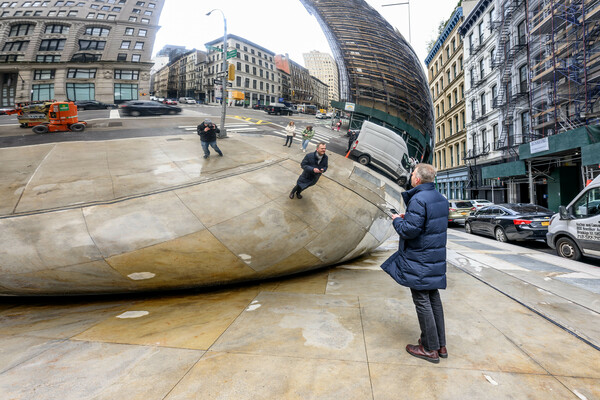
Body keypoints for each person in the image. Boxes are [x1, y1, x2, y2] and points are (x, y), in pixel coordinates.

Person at [380, 163, 449, 364]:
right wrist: (408, 217)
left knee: (422, 300)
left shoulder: (418, 199)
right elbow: (428, 224)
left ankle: (429, 349)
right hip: (434, 258)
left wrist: (396, 220)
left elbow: (409, 231)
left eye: (412, 174)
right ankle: (440, 344)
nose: (411, 176)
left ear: (417, 179)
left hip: (420, 258)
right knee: (433, 298)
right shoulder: (440, 198)